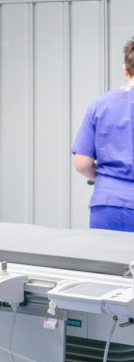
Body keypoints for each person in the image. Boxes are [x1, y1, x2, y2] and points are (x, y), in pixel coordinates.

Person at [72, 38, 134, 232]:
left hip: (109, 204)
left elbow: (82, 163)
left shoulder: (100, 104)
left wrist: (104, 178)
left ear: (126, 69)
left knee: (109, 261)